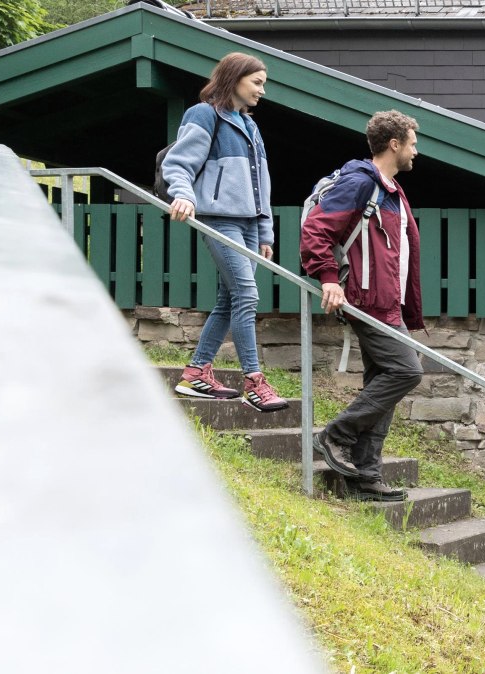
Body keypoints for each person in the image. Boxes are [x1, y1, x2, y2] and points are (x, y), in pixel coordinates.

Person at [300, 110, 425, 502]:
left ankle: (365, 476)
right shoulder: (359, 183)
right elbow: (316, 229)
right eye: (413, 142)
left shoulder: (391, 190)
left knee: (382, 384)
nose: (416, 151)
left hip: (389, 303)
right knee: (407, 371)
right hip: (365, 302)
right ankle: (334, 434)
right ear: (394, 144)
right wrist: (328, 278)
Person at [161, 52, 290, 413]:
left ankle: (195, 372)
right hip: (220, 220)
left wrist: (265, 232)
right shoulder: (203, 115)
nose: (262, 91)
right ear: (234, 78)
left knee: (229, 299)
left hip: (250, 224)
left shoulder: (250, 126)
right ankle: (254, 382)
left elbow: (261, 183)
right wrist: (184, 195)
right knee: (247, 295)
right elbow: (179, 163)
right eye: (257, 83)